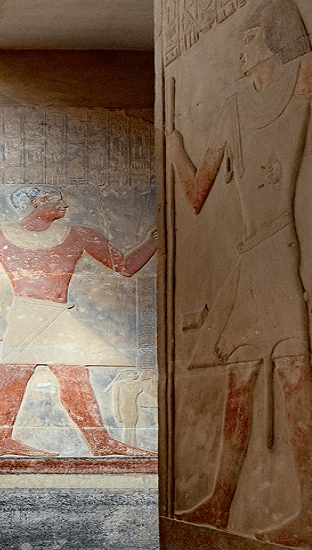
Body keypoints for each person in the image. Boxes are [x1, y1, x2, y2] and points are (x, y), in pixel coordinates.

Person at [166, 0, 312, 543]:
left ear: (274, 44)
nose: (241, 49)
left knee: (294, 373)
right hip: (251, 256)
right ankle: (220, 502)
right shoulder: (232, 106)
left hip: (279, 248)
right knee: (239, 381)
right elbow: (197, 192)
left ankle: (307, 509)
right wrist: (175, 146)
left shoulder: (299, 82)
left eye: (250, 40)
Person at [0, 186, 157, 457]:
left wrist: (152, 241)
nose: (65, 204)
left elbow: (125, 267)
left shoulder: (80, 234)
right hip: (27, 312)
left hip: (58, 314)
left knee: (75, 376)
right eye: (56, 200)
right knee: (14, 376)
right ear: (34, 203)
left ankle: (100, 443)